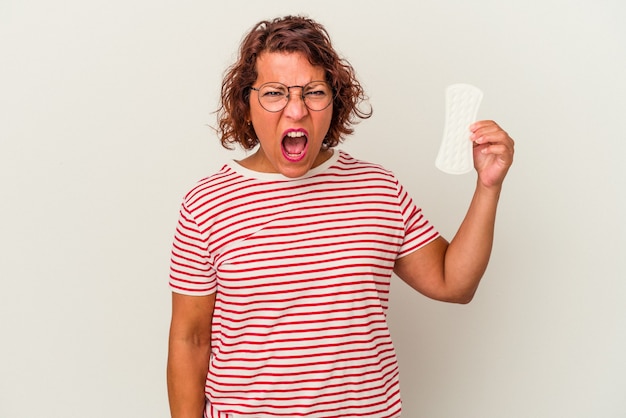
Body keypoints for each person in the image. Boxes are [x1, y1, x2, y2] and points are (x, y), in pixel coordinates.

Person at [166, 15, 514, 418]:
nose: (295, 110)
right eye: (275, 93)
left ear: (335, 100)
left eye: (313, 92)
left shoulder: (378, 190)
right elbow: (189, 340)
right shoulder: (206, 204)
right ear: (247, 102)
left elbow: (454, 284)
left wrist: (488, 187)